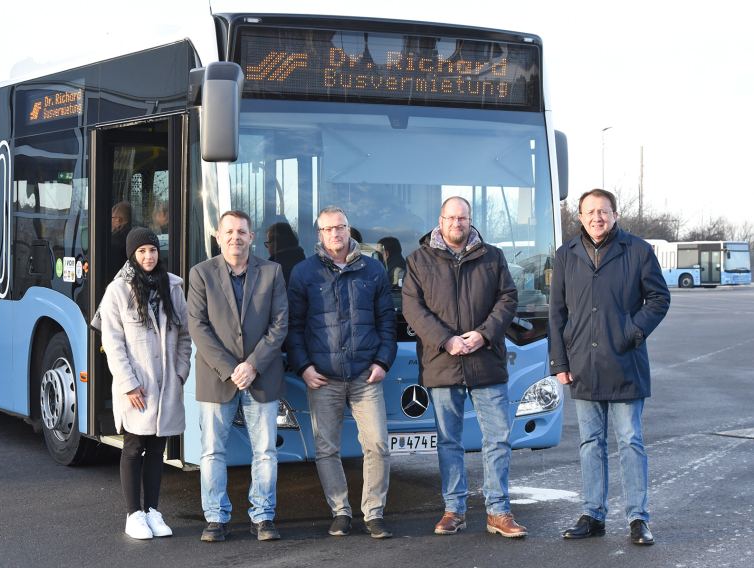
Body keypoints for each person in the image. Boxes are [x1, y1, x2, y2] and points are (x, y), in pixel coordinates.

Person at [550, 188, 669, 546]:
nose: (596, 217)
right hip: (583, 363)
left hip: (624, 361)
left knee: (630, 441)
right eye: (589, 212)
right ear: (581, 217)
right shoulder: (566, 254)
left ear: (615, 215)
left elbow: (659, 298)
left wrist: (632, 331)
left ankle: (637, 519)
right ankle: (593, 515)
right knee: (590, 442)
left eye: (603, 211)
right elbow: (557, 313)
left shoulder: (637, 250)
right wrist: (560, 361)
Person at [401, 196, 525, 538]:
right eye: (451, 217)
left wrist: (483, 335)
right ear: (440, 220)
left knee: (498, 438)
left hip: (486, 362)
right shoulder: (418, 260)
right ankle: (454, 509)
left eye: (463, 217)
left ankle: (498, 512)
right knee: (448, 441)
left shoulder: (492, 256)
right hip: (443, 363)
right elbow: (413, 308)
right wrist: (447, 340)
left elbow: (508, 298)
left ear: (471, 220)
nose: (457, 223)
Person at [286, 206, 397, 539]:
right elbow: (294, 327)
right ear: (319, 235)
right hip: (323, 376)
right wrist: (304, 367)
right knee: (327, 449)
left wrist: (383, 361)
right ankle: (340, 512)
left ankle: (373, 513)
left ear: (349, 230)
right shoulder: (304, 273)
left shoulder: (374, 270)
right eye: (328, 229)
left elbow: (387, 322)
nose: (336, 233)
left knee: (377, 445)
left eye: (341, 227)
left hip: (366, 376)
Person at [187, 210, 289, 543]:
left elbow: (279, 324)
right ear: (218, 236)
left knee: (265, 452)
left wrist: (253, 365)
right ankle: (215, 518)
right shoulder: (201, 274)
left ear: (252, 237)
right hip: (218, 377)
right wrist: (232, 368)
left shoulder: (272, 272)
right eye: (229, 231)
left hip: (261, 377)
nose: (235, 237)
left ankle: (263, 518)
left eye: (242, 232)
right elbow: (198, 327)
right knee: (213, 451)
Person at [92, 227, 192, 540]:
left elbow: (186, 336)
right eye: (141, 252)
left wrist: (180, 373)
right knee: (134, 447)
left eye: (152, 250)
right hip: (137, 386)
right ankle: (133, 514)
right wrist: (129, 384)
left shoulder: (173, 286)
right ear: (132, 255)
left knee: (158, 447)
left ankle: (152, 510)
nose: (148, 257)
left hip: (167, 385)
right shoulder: (118, 290)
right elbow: (113, 342)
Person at [108, 201, 132, 275]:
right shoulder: (133, 234)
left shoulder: (115, 240)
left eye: (111, 217)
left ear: (118, 220)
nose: (109, 220)